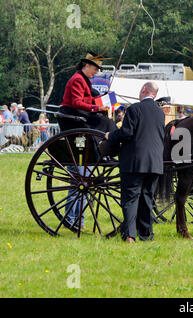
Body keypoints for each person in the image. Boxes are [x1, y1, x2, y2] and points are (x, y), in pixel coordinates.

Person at [59, 51, 116, 229]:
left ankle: (107, 147)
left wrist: (103, 101)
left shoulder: (84, 80)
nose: (96, 72)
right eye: (95, 68)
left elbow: (89, 98)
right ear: (86, 65)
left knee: (106, 120)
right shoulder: (77, 79)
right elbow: (76, 102)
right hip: (73, 117)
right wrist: (95, 107)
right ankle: (106, 147)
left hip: (80, 116)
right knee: (104, 121)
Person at [105, 82, 165, 243]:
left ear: (144, 90)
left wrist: (110, 136)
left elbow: (126, 133)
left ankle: (130, 235)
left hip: (135, 162)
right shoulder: (160, 113)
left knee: (130, 198)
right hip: (155, 163)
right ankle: (146, 234)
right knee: (147, 198)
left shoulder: (134, 109)